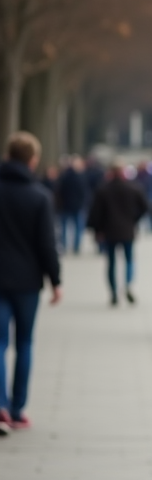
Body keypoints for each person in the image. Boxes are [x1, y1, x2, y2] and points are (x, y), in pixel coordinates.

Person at [0, 132, 63, 430]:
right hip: (27, 282)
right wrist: (56, 280)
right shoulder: (40, 197)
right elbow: (46, 245)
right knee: (24, 342)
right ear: (33, 160)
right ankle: (17, 409)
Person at [88, 162, 149, 306]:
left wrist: (97, 230)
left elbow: (96, 213)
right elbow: (145, 207)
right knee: (129, 260)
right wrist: (134, 219)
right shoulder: (134, 188)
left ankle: (114, 292)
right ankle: (127, 285)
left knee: (111, 263)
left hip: (109, 231)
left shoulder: (103, 190)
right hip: (127, 230)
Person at [57, 156, 88, 254]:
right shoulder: (80, 177)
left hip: (65, 205)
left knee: (64, 227)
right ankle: (76, 246)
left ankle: (64, 245)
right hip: (77, 205)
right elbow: (84, 192)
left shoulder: (64, 176)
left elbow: (59, 191)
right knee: (78, 227)